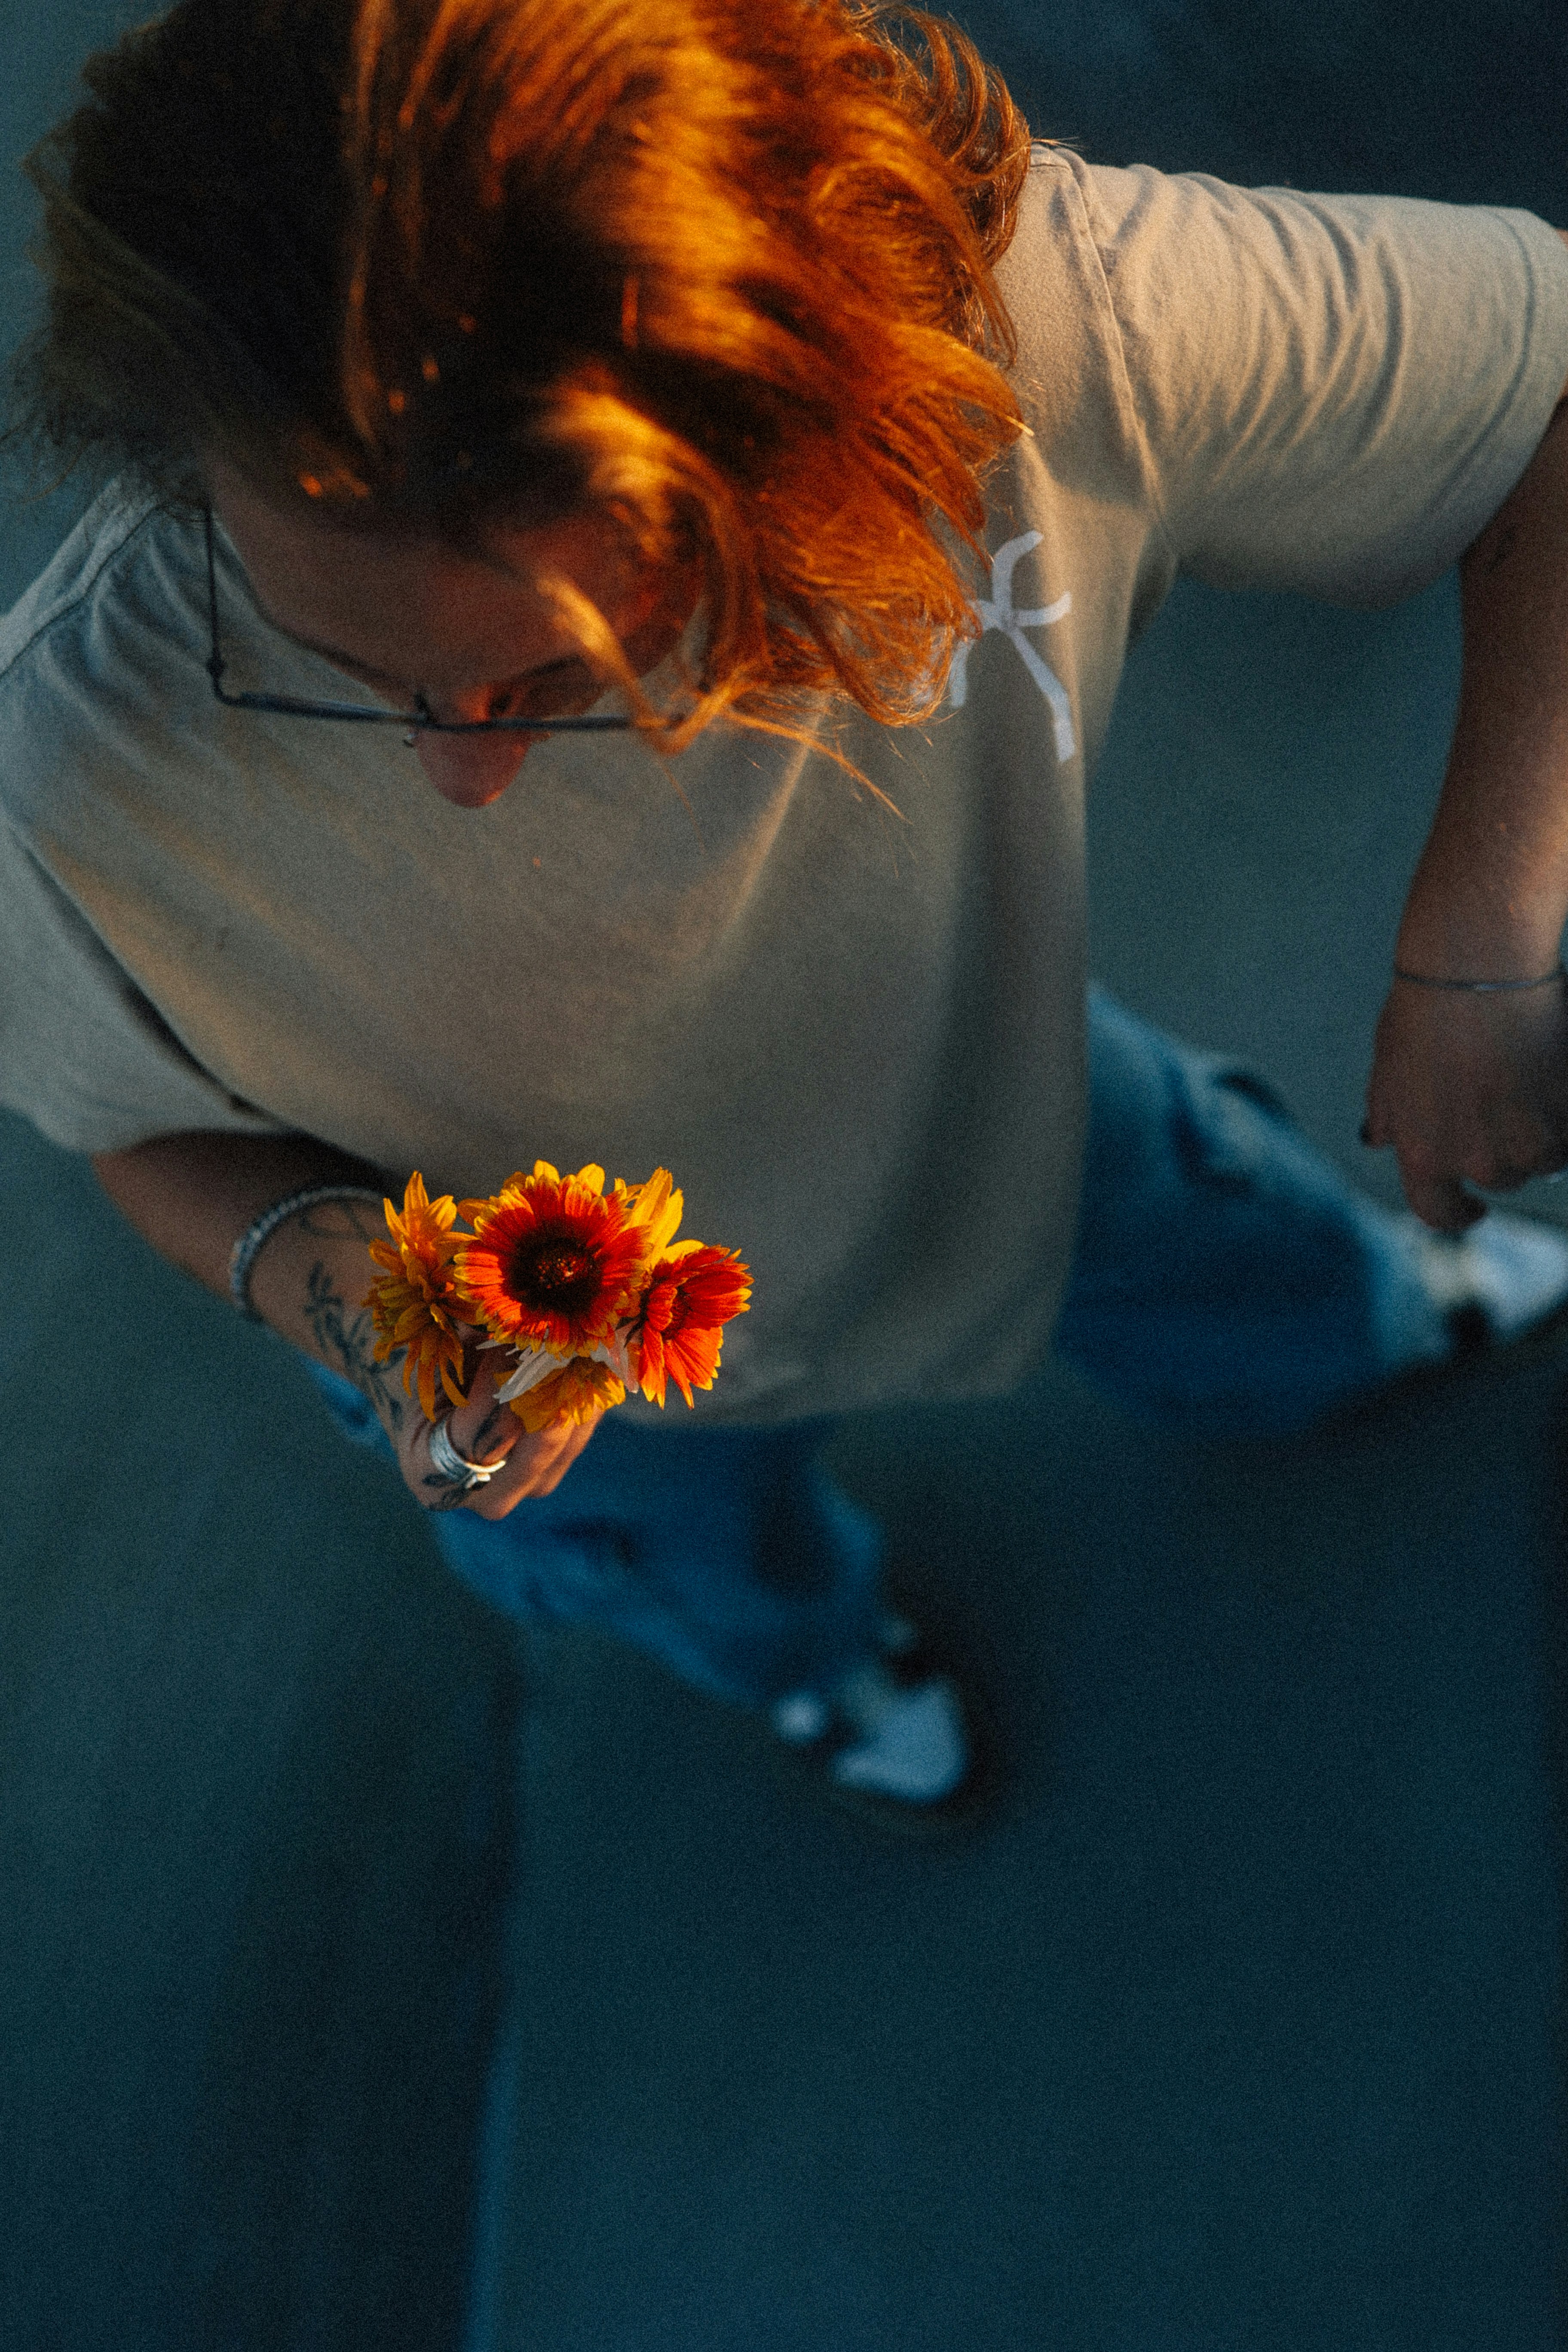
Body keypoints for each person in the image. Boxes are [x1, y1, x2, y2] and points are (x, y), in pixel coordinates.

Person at [6, 0, 1568, 1822]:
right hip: (549, 1374)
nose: (459, 776)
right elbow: (138, 1130)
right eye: (336, 663)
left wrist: (1483, 947)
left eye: (568, 673)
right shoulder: (70, 766)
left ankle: (1384, 1313)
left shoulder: (1036, 345)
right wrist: (346, 1288)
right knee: (696, 1565)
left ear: (813, 444)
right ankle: (822, 1659)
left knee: (1230, 1244)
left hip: (988, 1100)